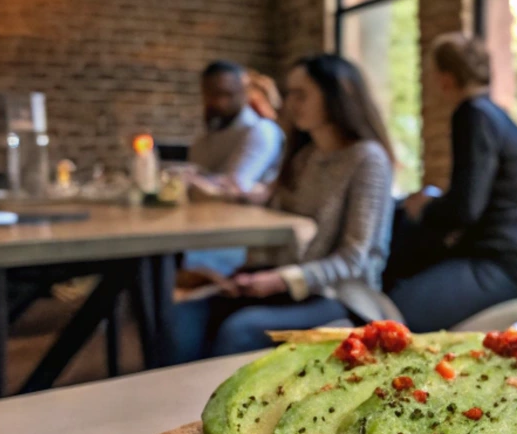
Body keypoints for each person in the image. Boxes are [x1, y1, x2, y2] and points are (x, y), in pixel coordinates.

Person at [167, 54, 396, 362]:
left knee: (239, 329)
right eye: (290, 94)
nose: (290, 103)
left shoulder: (368, 159)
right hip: (287, 283)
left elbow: (354, 260)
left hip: (343, 296)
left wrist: (280, 279)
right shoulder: (306, 156)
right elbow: (272, 205)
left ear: (335, 95)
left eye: (301, 94)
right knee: (180, 318)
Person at [387, 33, 517, 331]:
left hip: (505, 268)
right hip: (515, 260)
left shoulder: (473, 115)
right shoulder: (495, 113)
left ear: (446, 79)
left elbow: (466, 208)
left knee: (392, 312)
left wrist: (423, 207)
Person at [188, 60, 284, 193]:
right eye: (212, 94)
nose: (220, 102)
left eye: (228, 94)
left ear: (244, 92)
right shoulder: (203, 139)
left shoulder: (262, 130)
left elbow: (236, 185)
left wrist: (190, 179)